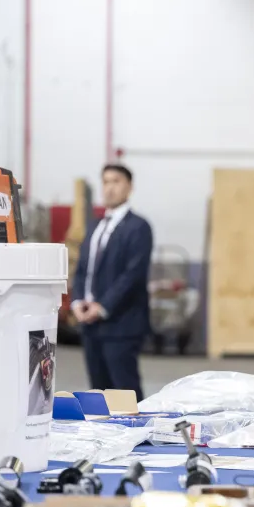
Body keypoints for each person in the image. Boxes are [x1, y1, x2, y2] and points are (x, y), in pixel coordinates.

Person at [70, 163, 153, 401]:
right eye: (105, 182)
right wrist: (77, 301)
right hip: (90, 326)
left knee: (125, 394)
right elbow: (82, 269)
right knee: (99, 394)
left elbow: (132, 275)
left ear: (129, 187)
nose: (109, 188)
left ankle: (135, 436)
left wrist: (102, 306)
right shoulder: (95, 226)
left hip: (121, 325)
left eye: (116, 181)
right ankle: (105, 437)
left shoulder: (139, 227)